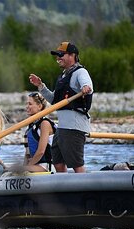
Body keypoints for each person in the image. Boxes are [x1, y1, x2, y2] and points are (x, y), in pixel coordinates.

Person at [29, 41, 93, 173]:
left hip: (74, 127)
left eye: (61, 55)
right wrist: (41, 86)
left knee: (76, 164)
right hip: (63, 128)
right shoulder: (63, 76)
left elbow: (87, 85)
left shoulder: (80, 72)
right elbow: (54, 100)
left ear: (72, 55)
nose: (58, 58)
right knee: (57, 162)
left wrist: (86, 87)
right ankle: (63, 187)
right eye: (57, 55)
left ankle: (83, 189)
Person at [23, 92, 57, 172]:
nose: (27, 107)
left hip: (47, 165)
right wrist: (24, 166)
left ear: (39, 106)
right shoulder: (31, 126)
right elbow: (27, 154)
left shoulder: (45, 124)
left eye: (30, 104)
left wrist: (28, 166)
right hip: (35, 164)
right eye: (27, 104)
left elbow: (41, 152)